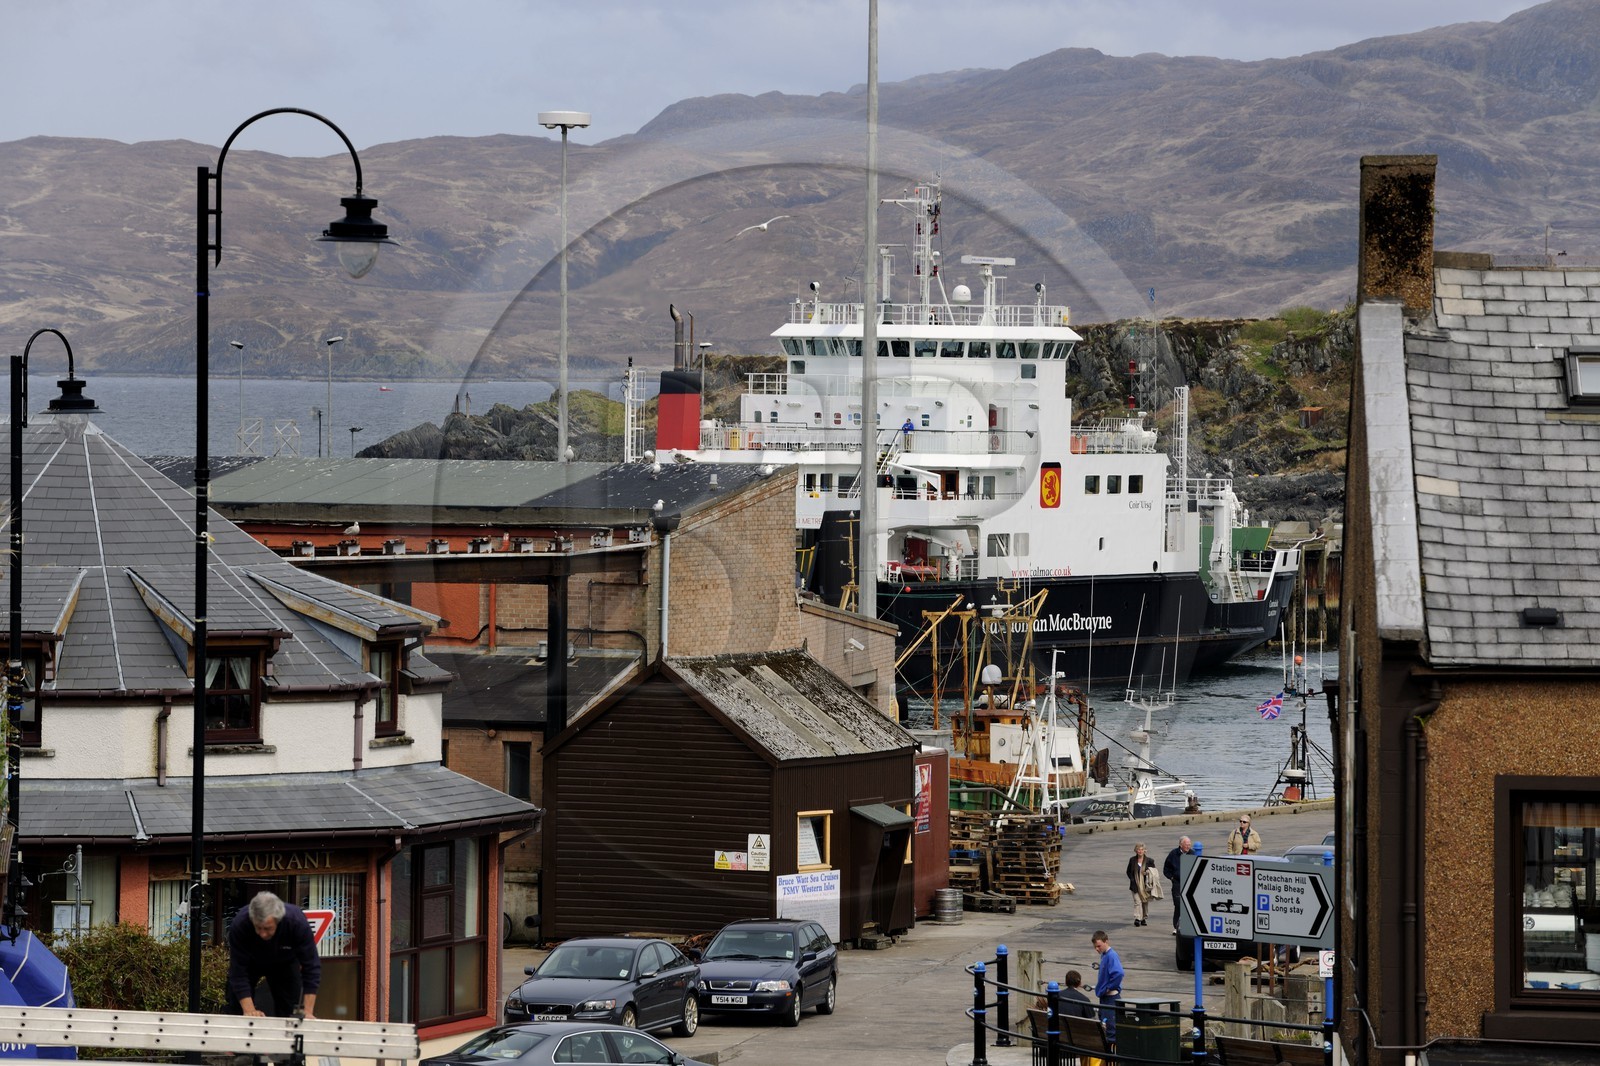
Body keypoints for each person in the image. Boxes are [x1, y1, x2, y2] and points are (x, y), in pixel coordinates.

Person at [226, 891, 321, 1018]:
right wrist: (249, 1011)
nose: (263, 934)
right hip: (250, 962)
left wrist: (308, 1011)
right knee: (236, 1007)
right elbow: (238, 972)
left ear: (278, 920)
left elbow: (311, 967)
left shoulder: (296, 922)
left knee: (290, 1011)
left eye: (268, 928)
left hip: (285, 962)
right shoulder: (240, 924)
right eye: (258, 928)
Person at [1092, 930, 1124, 1047]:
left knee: (1111, 1030)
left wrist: (1108, 987)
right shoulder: (1104, 956)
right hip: (1105, 997)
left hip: (1110, 998)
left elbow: (1119, 973)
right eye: (1095, 947)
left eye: (1099, 946)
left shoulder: (1111, 955)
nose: (1097, 949)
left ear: (1106, 941)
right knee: (1106, 1027)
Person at [1163, 835, 1194, 933]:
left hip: (1189, 883)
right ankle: (1176, 926)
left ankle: (1187, 925)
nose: (1188, 846)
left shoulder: (1193, 854)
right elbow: (1166, 868)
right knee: (1178, 905)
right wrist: (1171, 878)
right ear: (1181, 845)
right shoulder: (1173, 854)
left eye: (1189, 844)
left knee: (1188, 905)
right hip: (1177, 883)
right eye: (1186, 844)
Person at [1125, 842, 1156, 926]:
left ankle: (1144, 918)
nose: (1140, 851)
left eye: (1142, 849)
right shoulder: (1132, 860)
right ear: (1136, 850)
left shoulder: (1150, 861)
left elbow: (1154, 872)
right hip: (1135, 885)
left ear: (1145, 851)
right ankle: (1137, 918)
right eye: (1138, 849)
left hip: (1146, 885)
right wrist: (1132, 879)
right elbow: (1128, 871)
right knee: (1137, 901)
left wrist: (1146, 873)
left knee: (1144, 902)